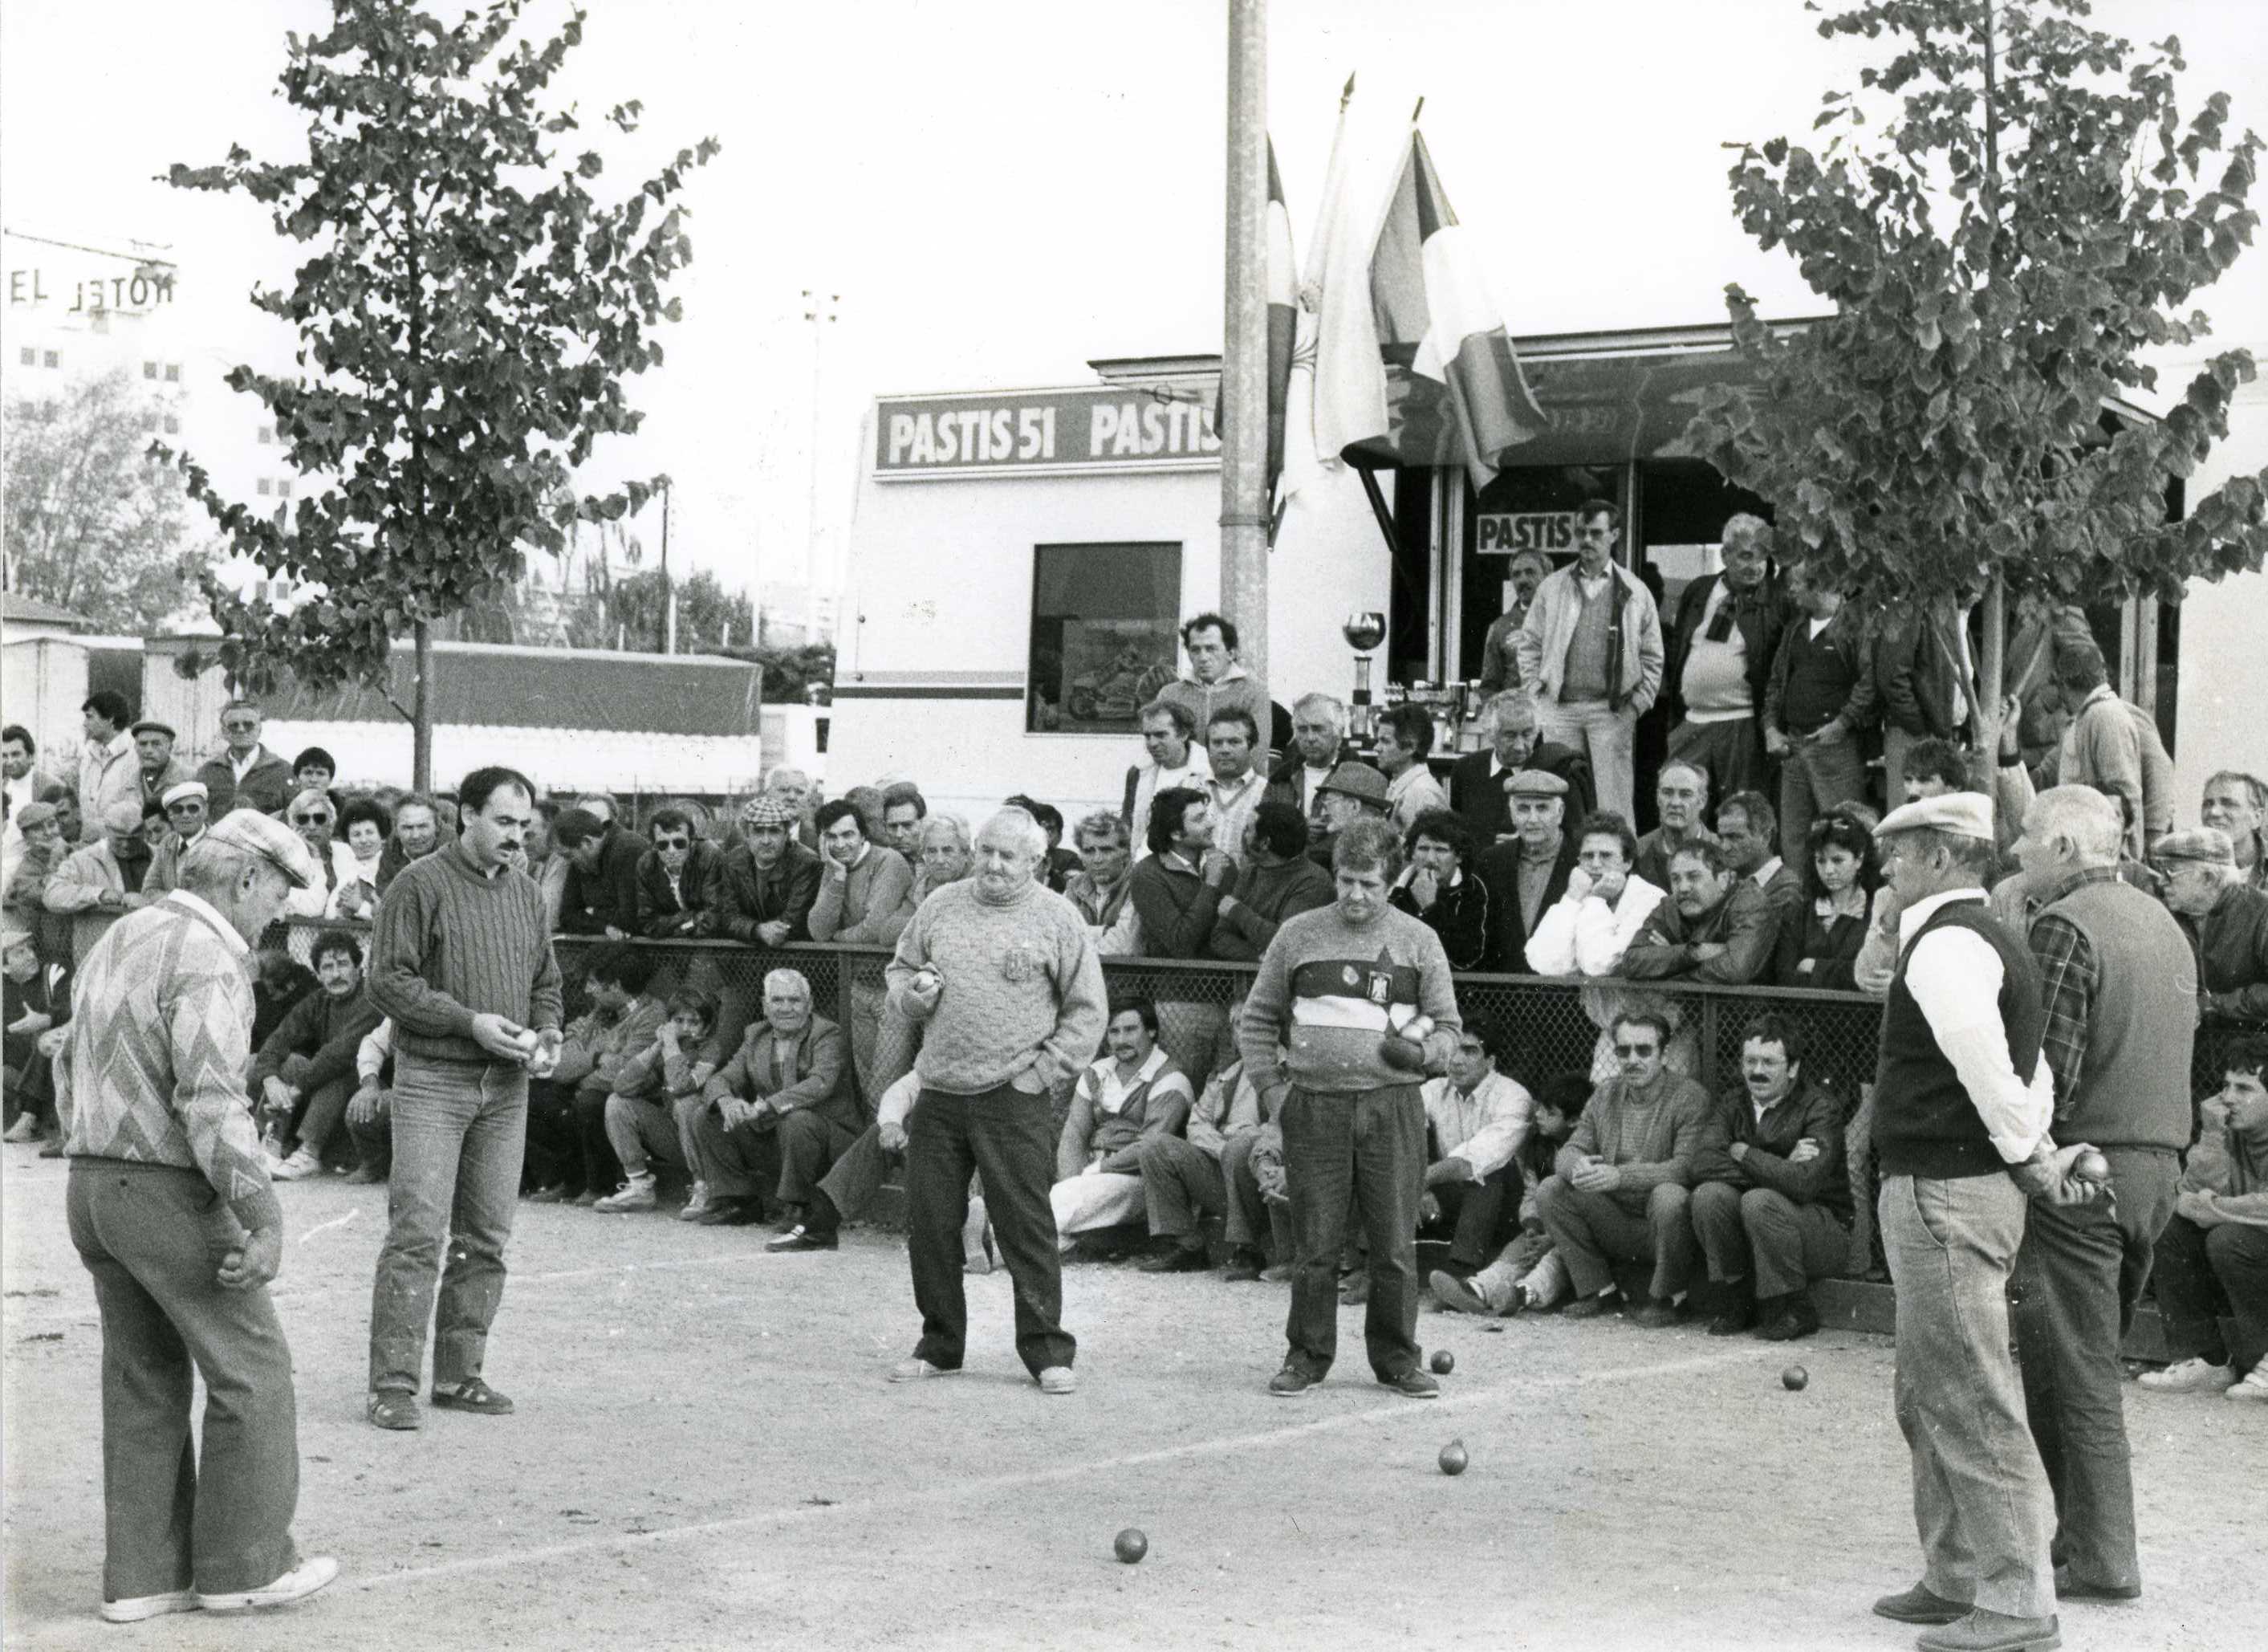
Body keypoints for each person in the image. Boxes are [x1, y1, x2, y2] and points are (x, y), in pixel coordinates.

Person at [63, 808, 337, 1619]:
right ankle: (244, 1567)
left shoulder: (121, 932)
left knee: (142, 1379)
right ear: (247, 878)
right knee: (251, 1368)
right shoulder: (213, 956)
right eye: (278, 896)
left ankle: (144, 1580)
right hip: (164, 1187)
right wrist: (263, 1212)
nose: (277, 916)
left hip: (90, 1182)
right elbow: (213, 1101)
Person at [1864, 790, 2098, 1650]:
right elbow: (2024, 1077)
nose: (1887, 867)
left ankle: (2013, 1602)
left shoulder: (1947, 943)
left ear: (1939, 856)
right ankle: (1960, 1573)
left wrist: (2027, 1156)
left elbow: (1992, 1073)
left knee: (1964, 1391)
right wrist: (2027, 1149)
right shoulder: (1989, 935)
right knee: (1932, 1388)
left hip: (1944, 1190)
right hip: (1956, 1187)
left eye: (1899, 853)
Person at [2006, 786, 2197, 1604]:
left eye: (2024, 840)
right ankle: (2083, 1538)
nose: (2015, 853)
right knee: (2076, 1356)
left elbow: (2046, 1075)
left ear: (2059, 848)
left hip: (2086, 1171)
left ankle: (2104, 1556)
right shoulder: (2168, 926)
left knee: (2074, 1367)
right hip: (2157, 1170)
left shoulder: (2065, 926)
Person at [364, 767, 563, 1433]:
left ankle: (458, 1374)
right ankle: (392, 1384)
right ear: (464, 815)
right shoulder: (417, 886)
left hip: (506, 1088)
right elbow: (388, 983)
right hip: (433, 1081)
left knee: (486, 1236)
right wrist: (468, 1021)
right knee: (418, 1234)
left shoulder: (530, 895)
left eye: (524, 824)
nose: (516, 835)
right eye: (503, 822)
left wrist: (551, 1034)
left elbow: (546, 982)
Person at [1239, 816, 1463, 1399]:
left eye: (1369, 883)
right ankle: (1307, 1356)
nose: (1355, 895)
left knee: (1392, 1243)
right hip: (1313, 1106)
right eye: (1345, 881)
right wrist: (1274, 1091)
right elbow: (1260, 1018)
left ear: (1392, 880)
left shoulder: (1419, 939)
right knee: (1315, 1243)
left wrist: (1423, 1050)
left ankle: (1396, 1359)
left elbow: (1448, 1028)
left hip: (1393, 1108)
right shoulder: (1297, 934)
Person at [884, 806, 1106, 1393]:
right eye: (985, 850)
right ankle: (940, 1345)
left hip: (1013, 1098)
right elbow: (900, 970)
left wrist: (1042, 1074)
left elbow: (1087, 1012)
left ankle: (1047, 1352)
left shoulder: (1059, 919)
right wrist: (915, 996)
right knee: (930, 1222)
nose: (993, 864)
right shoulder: (939, 906)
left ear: (1037, 860)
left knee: (1024, 1227)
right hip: (938, 1092)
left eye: (1008, 855)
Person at [1533, 1009, 1711, 1325]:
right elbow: (1569, 1150)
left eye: (1644, 1050)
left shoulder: (1690, 1097)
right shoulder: (1605, 1093)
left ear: (1664, 1053)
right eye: (1623, 1050)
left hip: (1665, 1225)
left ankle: (1669, 1297)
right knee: (1552, 1190)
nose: (1632, 1059)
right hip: (1616, 1219)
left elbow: (1686, 1168)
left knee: (1670, 1196)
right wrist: (1578, 1165)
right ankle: (1599, 1290)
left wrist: (1619, 1176)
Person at [1687, 1014, 1851, 1339]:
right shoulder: (1733, 1102)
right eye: (1750, 1061)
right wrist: (1781, 1167)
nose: (1757, 1071)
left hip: (1822, 1229)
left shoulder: (1820, 1108)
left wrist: (1745, 1153)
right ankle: (1738, 1299)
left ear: (1792, 1068)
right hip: (1764, 1219)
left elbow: (1804, 1184)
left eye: (1769, 1062)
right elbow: (1701, 1162)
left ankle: (1793, 1307)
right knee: (1709, 1196)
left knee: (1759, 1201)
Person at [1510, 498, 1664, 820]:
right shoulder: (1553, 588)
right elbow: (1529, 645)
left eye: (1596, 533)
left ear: (1615, 534)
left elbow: (1649, 655)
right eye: (1580, 532)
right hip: (1560, 709)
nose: (1586, 540)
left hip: (1611, 711)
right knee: (1564, 799)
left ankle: (1618, 868)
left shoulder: (1634, 591)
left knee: (1613, 804)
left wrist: (1636, 705)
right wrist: (1536, 697)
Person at [2136, 1036, 2268, 1404]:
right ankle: (2207, 1359)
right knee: (2171, 1229)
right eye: (2226, 1085)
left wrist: (2217, 1208)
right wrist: (2212, 1135)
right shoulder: (2232, 1133)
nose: (2227, 1098)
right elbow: (2188, 1193)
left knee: (2230, 1240)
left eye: (2244, 1088)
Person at [687, 968, 858, 1231]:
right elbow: (722, 1079)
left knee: (797, 1119)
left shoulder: (827, 1034)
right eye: (777, 1001)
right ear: (765, 1007)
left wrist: (766, 1106)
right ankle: (738, 1200)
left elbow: (818, 1084)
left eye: (795, 1000)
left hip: (828, 1142)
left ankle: (800, 1206)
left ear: (809, 1004)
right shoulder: (756, 1035)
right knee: (706, 1114)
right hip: (778, 1135)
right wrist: (727, 1102)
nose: (786, 1008)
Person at [1430, 1073, 1591, 1316]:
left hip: (1575, 1235)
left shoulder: (1587, 1153)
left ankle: (1524, 1294)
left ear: (1574, 1120)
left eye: (1549, 1112)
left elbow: (1587, 1208)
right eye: (1539, 1107)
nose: (1538, 1115)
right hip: (1545, 1226)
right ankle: (1479, 1289)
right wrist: (1532, 1225)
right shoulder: (1540, 1148)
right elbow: (1532, 1191)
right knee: (1519, 1247)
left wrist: (1553, 1238)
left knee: (1556, 1259)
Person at [1051, 999, 1195, 1255]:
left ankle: (994, 1245)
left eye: (1131, 1030)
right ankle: (1052, 1245)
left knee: (1068, 1200)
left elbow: (1150, 1147)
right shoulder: (1097, 1072)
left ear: (1151, 1031)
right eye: (1114, 1031)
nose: (1121, 1039)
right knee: (1063, 1196)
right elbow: (1074, 1135)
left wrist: (1097, 1170)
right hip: (1093, 1176)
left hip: (1142, 1181)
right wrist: (1072, 1180)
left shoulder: (1170, 1079)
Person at [522, 946, 665, 1205]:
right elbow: (560, 1061)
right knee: (534, 1095)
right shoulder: (601, 1010)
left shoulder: (651, 1016)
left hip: (633, 1096)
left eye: (593, 983)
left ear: (617, 985)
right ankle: (566, 1181)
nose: (588, 990)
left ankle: (601, 1186)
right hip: (590, 1083)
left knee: (589, 1101)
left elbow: (622, 1074)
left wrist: (582, 1065)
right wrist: (596, 1058)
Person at [1762, 560, 1877, 865]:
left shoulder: (1854, 626)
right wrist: (1771, 728)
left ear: (1818, 586)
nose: (1791, 591)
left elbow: (1869, 681)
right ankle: (1798, 907)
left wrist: (1842, 723)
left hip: (1835, 747)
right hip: (1794, 747)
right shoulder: (1795, 629)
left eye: (1797, 584)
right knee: (1794, 839)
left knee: (1845, 834)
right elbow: (1776, 681)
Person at [1662, 514, 1782, 801]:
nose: (1755, 566)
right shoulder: (1700, 589)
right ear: (1725, 555)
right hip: (1692, 721)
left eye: (1762, 557)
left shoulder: (1775, 600)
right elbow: (1680, 647)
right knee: (1681, 806)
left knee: (1741, 813)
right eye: (1745, 556)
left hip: (1742, 724)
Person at [252, 927, 384, 1182]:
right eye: (327, 967)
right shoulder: (318, 1001)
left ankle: (309, 1154)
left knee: (339, 1071)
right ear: (318, 974)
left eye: (343, 964)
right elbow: (277, 1041)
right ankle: (271, 1144)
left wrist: (296, 1089)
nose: (336, 974)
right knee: (291, 1063)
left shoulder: (371, 1000)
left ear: (359, 968)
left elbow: (339, 1053)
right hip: (325, 1095)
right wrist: (270, 1078)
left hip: (368, 1087)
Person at [1136, 1032, 1265, 1273]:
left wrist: (1241, 1141)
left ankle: (1247, 1252)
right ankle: (1187, 1247)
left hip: (1262, 1176)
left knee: (1240, 1148)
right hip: (1223, 1164)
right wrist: (1223, 1147)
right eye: (1238, 1026)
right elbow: (1196, 1124)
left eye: (1252, 1025)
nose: (1246, 1034)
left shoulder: (1287, 1070)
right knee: (1156, 1147)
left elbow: (1284, 1127)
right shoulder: (1227, 1073)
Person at [1416, 1023, 1534, 1279]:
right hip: (1453, 1197)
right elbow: (1401, 1130)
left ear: (1490, 1061)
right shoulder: (1435, 1089)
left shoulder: (1513, 1096)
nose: (1456, 1060)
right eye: (1453, 1051)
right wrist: (1421, 1188)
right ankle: (1364, 1267)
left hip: (1506, 1207)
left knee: (1488, 1172)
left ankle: (1461, 1272)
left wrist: (1418, 1181)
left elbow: (1475, 1160)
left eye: (1469, 1051)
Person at [596, 986, 726, 1215]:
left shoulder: (711, 1049)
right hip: (676, 1140)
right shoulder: (666, 1047)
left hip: (711, 1145)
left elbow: (681, 1086)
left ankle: (703, 1187)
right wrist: (657, 1046)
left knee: (687, 1104)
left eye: (693, 1022)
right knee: (617, 1102)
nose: (685, 1028)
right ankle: (640, 1186)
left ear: (706, 1026)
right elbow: (622, 1086)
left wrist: (671, 1046)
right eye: (679, 1020)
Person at [2036, 641, 2168, 861]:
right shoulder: (2086, 717)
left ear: (2064, 683)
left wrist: (2127, 857)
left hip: (2106, 858)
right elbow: (2045, 773)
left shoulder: (2105, 716)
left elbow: (2123, 794)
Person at [1523, 812, 1668, 978]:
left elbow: (1599, 965)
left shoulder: (1650, 898)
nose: (1596, 864)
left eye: (1606, 856)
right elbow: (1546, 963)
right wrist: (1571, 899)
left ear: (1627, 862)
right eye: (1588, 856)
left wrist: (1596, 901)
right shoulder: (1581, 895)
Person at [1447, 690, 1596, 846]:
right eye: (1510, 736)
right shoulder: (1466, 770)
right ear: (1490, 734)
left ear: (1537, 731)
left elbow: (1578, 839)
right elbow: (1458, 836)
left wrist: (1532, 842)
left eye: (1527, 734)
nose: (1519, 746)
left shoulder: (1558, 768)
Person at [1622, 839, 1780, 985]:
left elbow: (1735, 969)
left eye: (1694, 877)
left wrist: (1667, 970)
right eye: (1676, 879)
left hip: (1748, 1011)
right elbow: (1631, 962)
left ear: (1723, 880)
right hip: (1689, 1011)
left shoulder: (1750, 903)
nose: (1683, 888)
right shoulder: (1670, 906)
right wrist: (1692, 952)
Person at [2154, 828, 2268, 1024]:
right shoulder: (2167, 916)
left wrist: (2212, 1005)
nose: (2161, 881)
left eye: (2170, 872)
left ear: (2209, 878)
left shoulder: (2262, 914)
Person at [1473, 769, 1583, 970]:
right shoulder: (1491, 861)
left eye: (1542, 808)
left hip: (1562, 995)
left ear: (1560, 813)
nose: (1532, 819)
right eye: (1523, 809)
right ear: (1512, 814)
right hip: (1503, 995)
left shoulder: (1581, 862)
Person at [1873, 595, 1975, 804]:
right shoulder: (1916, 607)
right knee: (1908, 821)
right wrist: (1918, 725)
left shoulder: (1959, 616)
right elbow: (1892, 676)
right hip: (1913, 736)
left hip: (1944, 735)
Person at [1207, 802, 1334, 962]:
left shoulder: (1313, 881)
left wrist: (1237, 911)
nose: (1243, 835)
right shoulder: (1248, 874)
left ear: (1265, 843)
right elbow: (1219, 938)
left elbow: (1286, 941)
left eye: (1248, 830)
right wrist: (1257, 957)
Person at [1775, 811, 1880, 989]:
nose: (1829, 870)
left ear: (1859, 860)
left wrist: (1815, 966)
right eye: (1821, 861)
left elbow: (1872, 974)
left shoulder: (1877, 910)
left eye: (1838, 860)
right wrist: (1843, 973)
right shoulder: (1800, 912)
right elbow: (1784, 974)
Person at [46, 798, 156, 961]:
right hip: (104, 957)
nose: (126, 845)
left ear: (145, 831)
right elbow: (52, 894)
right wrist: (99, 894)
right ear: (107, 831)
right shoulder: (84, 859)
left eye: (133, 838)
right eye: (119, 839)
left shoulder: (160, 856)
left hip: (150, 950)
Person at [714, 792, 824, 946]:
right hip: (746, 951)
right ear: (747, 835)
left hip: (793, 952)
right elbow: (727, 915)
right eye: (758, 831)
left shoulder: (806, 863)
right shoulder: (732, 862)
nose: (766, 840)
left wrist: (761, 931)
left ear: (787, 834)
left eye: (774, 831)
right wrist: (757, 930)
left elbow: (795, 919)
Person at [1127, 786, 1224, 958]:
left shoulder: (1222, 863)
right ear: (1176, 834)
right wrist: (1211, 884)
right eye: (1200, 819)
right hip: (1173, 981)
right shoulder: (1147, 874)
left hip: (1226, 980)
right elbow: (1180, 944)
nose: (1211, 823)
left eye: (1207, 815)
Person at [807, 797, 917, 946]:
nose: (840, 845)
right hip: (843, 962)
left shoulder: (888, 860)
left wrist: (834, 939)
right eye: (831, 837)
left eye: (847, 835)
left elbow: (874, 930)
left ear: (862, 835)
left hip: (880, 961)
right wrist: (838, 877)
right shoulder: (833, 865)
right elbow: (819, 932)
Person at [1388, 808, 1490, 970]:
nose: (1430, 859)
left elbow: (1465, 957)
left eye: (1441, 850)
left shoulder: (1472, 890)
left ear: (1459, 856)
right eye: (1423, 849)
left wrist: (1431, 909)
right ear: (1412, 853)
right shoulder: (1395, 887)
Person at [1155, 611, 1271, 745]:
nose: (1203, 657)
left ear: (1231, 653)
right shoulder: (1169, 695)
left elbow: (1256, 754)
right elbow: (1160, 746)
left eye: (1211, 649)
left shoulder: (1253, 694)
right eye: (1195, 650)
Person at [1123, 698, 1211, 858]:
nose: (1152, 743)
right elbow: (1127, 824)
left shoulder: (1209, 770)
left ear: (1183, 734)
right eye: (1147, 736)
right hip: (1146, 866)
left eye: (1160, 735)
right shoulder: (1138, 772)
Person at [554, 805, 644, 938]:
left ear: (587, 843)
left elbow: (630, 919)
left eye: (568, 856)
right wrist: (604, 927)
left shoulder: (628, 849)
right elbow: (567, 916)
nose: (568, 863)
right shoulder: (581, 856)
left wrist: (594, 912)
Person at [1715, 790, 1803, 925]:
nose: (1725, 847)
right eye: (1722, 838)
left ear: (1765, 837)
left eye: (1735, 837)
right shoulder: (1729, 884)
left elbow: (1745, 944)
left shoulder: (1787, 892)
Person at [197, 701, 295, 820]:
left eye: (248, 725)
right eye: (234, 725)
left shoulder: (283, 771)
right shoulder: (208, 772)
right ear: (224, 732)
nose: (241, 730)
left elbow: (294, 817)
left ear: (259, 730)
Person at [636, 805, 721, 938]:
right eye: (662, 845)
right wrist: (687, 919)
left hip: (706, 942)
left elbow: (713, 917)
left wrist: (679, 928)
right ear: (654, 847)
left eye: (679, 843)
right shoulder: (646, 865)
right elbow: (647, 922)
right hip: (667, 944)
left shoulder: (709, 855)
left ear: (692, 842)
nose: (672, 851)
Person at [1063, 809, 1141, 954]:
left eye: (1106, 850)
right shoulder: (1074, 886)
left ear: (1125, 854)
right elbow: (1058, 937)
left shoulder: (1139, 883)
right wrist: (1104, 932)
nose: (1097, 859)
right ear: (1080, 855)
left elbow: (1122, 946)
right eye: (1089, 851)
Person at [1633, 759, 1717, 893]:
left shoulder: (1721, 850)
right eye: (1667, 793)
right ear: (1657, 797)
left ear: (1702, 800)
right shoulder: (1638, 852)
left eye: (1685, 794)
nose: (1675, 802)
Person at [1477, 548, 1553, 696]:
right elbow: (1489, 688)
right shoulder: (1500, 628)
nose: (1522, 580)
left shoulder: (1566, 620)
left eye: (1530, 572)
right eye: (1516, 574)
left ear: (1548, 577)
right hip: (1516, 716)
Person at [1201, 707, 1269, 869]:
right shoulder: (1190, 787)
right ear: (1208, 747)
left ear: (1251, 746)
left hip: (1244, 891)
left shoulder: (1266, 792)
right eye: (1217, 743)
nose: (1225, 749)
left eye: (1234, 742)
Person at [279, 788, 361, 920]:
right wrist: (315, 858)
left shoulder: (346, 852)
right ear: (293, 825)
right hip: (305, 938)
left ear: (331, 824)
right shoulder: (286, 862)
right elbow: (312, 909)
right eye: (303, 819)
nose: (311, 826)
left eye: (319, 818)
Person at [1263, 693, 1347, 818]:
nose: (1310, 738)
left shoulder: (1356, 779)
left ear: (1339, 733)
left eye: (1318, 729)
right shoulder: (1279, 782)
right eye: (1302, 729)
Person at [75, 690, 139, 844]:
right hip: (90, 844)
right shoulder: (89, 753)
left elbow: (134, 807)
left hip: (122, 844)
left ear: (110, 719)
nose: (84, 723)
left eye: (90, 717)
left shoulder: (135, 753)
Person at [1374, 703, 1451, 831]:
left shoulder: (1422, 793)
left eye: (1385, 741)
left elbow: (1423, 847)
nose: (1376, 748)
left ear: (1411, 747)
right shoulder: (1402, 786)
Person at [1308, 760, 1392, 870]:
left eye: (1329, 802)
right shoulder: (1390, 850)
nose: (1324, 811)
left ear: (1354, 806)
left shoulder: (1328, 855)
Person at [2200, 769, 2268, 891]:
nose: (2214, 812)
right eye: (2208, 804)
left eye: (2229, 804)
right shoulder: (2188, 865)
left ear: (2257, 818)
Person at [334, 795, 390, 921]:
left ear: (381, 835)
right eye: (356, 834)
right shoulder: (343, 867)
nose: (364, 840)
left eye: (370, 833)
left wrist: (360, 907)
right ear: (348, 840)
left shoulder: (390, 867)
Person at [375, 793, 442, 894]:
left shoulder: (453, 853)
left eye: (423, 826)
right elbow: (384, 896)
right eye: (407, 827)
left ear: (437, 827)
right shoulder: (391, 851)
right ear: (396, 830)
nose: (415, 835)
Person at [909, 812, 977, 905]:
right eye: (932, 851)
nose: (939, 860)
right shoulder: (920, 887)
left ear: (965, 853)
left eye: (947, 851)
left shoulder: (979, 887)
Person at [130, 718, 190, 812]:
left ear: (170, 748)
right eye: (143, 744)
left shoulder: (188, 779)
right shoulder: (128, 783)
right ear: (135, 748)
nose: (148, 750)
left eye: (156, 744)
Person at [880, 782, 928, 861]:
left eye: (907, 825)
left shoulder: (937, 861)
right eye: (893, 826)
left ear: (923, 824)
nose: (899, 835)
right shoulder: (878, 865)